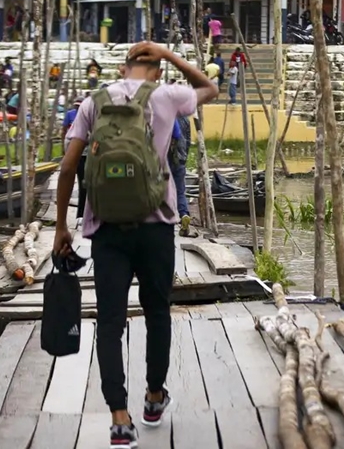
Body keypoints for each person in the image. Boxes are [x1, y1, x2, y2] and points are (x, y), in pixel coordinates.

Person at [54, 41, 218, 448]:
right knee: (157, 312)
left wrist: (61, 228)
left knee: (110, 322)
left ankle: (119, 418)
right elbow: (210, 89)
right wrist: (169, 54)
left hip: (106, 228)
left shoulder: (93, 102)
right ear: (157, 72)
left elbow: (69, 166)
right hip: (156, 227)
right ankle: (154, 397)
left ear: (122, 68)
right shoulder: (166, 96)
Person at [167, 80, 192, 236]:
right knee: (180, 191)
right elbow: (188, 140)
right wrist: (184, 157)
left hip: (167, 159)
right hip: (181, 159)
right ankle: (184, 214)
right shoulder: (185, 119)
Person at [62, 96, 88, 226]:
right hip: (78, 155)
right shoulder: (70, 115)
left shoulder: (89, 115)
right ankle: (81, 214)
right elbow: (64, 132)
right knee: (82, 183)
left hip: (89, 154)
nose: (78, 108)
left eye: (79, 106)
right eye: (76, 106)